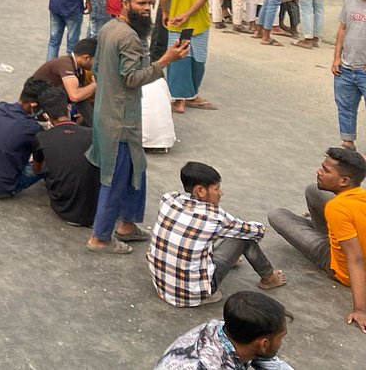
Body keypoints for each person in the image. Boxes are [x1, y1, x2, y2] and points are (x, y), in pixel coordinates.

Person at [86, 0, 192, 254]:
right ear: (125, 4)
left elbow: (97, 69)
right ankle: (100, 237)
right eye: (141, 3)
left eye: (149, 3)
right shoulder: (129, 38)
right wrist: (166, 60)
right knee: (115, 177)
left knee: (136, 167)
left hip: (109, 112)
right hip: (120, 120)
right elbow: (132, 78)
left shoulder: (109, 28)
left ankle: (127, 225)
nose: (147, 8)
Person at [147, 161, 285, 309]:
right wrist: (260, 227)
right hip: (192, 294)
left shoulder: (168, 199)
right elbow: (256, 231)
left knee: (201, 235)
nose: (221, 193)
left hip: (161, 285)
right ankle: (269, 278)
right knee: (244, 237)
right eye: (217, 188)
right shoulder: (215, 217)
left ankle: (231, 258)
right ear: (200, 191)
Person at [268, 147, 366, 331]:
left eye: (326, 170)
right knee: (313, 189)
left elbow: (355, 258)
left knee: (277, 215)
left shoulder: (337, 208)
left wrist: (360, 309)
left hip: (340, 266)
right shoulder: (360, 195)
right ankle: (322, 228)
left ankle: (318, 231)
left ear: (344, 181)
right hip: (349, 236)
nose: (319, 172)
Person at [155, 291, 295, 370]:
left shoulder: (228, 329)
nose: (281, 342)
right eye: (281, 337)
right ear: (263, 344)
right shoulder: (209, 365)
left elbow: (272, 363)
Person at [32, 89, 100, 227]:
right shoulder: (92, 134)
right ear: (69, 107)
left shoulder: (42, 138)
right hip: (97, 211)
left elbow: (36, 170)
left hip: (64, 209)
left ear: (46, 115)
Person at [333, 0, 366, 149]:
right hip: (346, 68)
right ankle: (347, 143)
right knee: (345, 107)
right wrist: (337, 57)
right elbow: (342, 28)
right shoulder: (349, 1)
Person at [32, 37, 97, 126]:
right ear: (86, 58)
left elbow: (81, 97)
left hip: (53, 104)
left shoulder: (79, 70)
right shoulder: (65, 64)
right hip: (38, 111)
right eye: (96, 60)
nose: (97, 64)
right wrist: (95, 84)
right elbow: (75, 96)